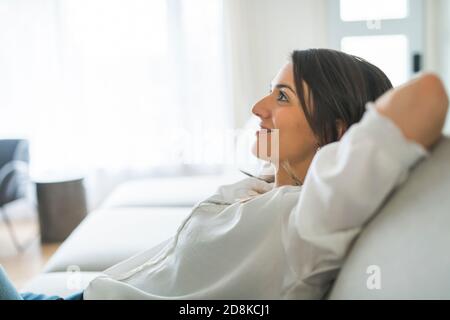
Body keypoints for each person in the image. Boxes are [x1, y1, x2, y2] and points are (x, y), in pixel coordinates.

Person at [1, 49, 448, 300]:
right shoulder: (256, 187)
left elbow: (427, 94)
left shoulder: (308, 216)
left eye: (283, 97)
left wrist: (345, 154)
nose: (258, 108)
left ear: (334, 129)